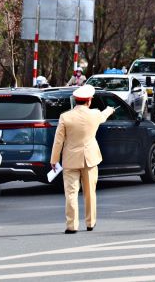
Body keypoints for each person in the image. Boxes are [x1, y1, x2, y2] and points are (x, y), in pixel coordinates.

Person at [50, 84, 114, 233]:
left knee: (71, 193)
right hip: (90, 159)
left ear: (76, 100)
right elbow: (104, 116)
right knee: (90, 192)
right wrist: (109, 110)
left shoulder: (65, 117)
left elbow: (58, 141)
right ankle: (90, 222)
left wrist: (54, 160)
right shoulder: (95, 114)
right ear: (89, 101)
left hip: (70, 160)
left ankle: (71, 226)